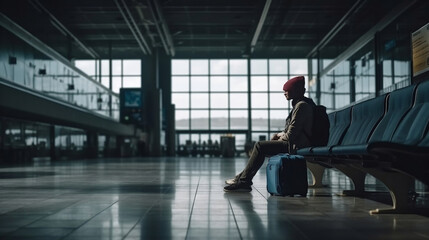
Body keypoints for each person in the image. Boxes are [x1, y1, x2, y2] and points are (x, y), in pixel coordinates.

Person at [224, 76, 315, 192]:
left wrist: (279, 137)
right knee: (261, 147)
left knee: (260, 146)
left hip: (295, 145)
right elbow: (293, 131)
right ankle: (240, 179)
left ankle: (243, 181)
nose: (284, 93)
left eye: (287, 90)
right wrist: (279, 134)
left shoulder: (301, 106)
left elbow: (291, 135)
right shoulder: (302, 104)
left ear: (295, 91)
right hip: (296, 143)